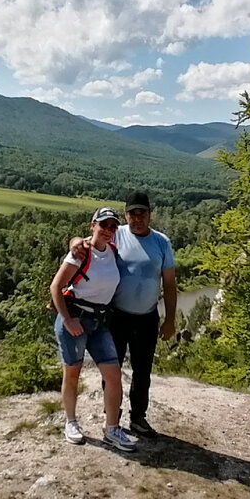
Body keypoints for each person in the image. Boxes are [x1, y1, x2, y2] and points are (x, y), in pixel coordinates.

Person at [70, 191, 176, 437]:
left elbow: (169, 284)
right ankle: (112, 419)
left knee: (142, 371)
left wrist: (170, 320)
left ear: (150, 214)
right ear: (126, 215)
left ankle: (138, 418)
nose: (137, 219)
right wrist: (74, 241)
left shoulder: (162, 242)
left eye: (142, 213)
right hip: (116, 317)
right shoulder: (115, 234)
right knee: (111, 369)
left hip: (148, 317)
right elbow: (85, 242)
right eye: (132, 214)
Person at [50, 206, 137, 452]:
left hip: (99, 323)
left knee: (113, 376)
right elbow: (56, 287)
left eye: (113, 226)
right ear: (93, 225)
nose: (109, 230)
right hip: (75, 320)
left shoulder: (113, 251)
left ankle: (112, 429)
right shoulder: (81, 253)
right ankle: (71, 422)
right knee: (73, 373)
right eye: (104, 225)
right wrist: (67, 320)